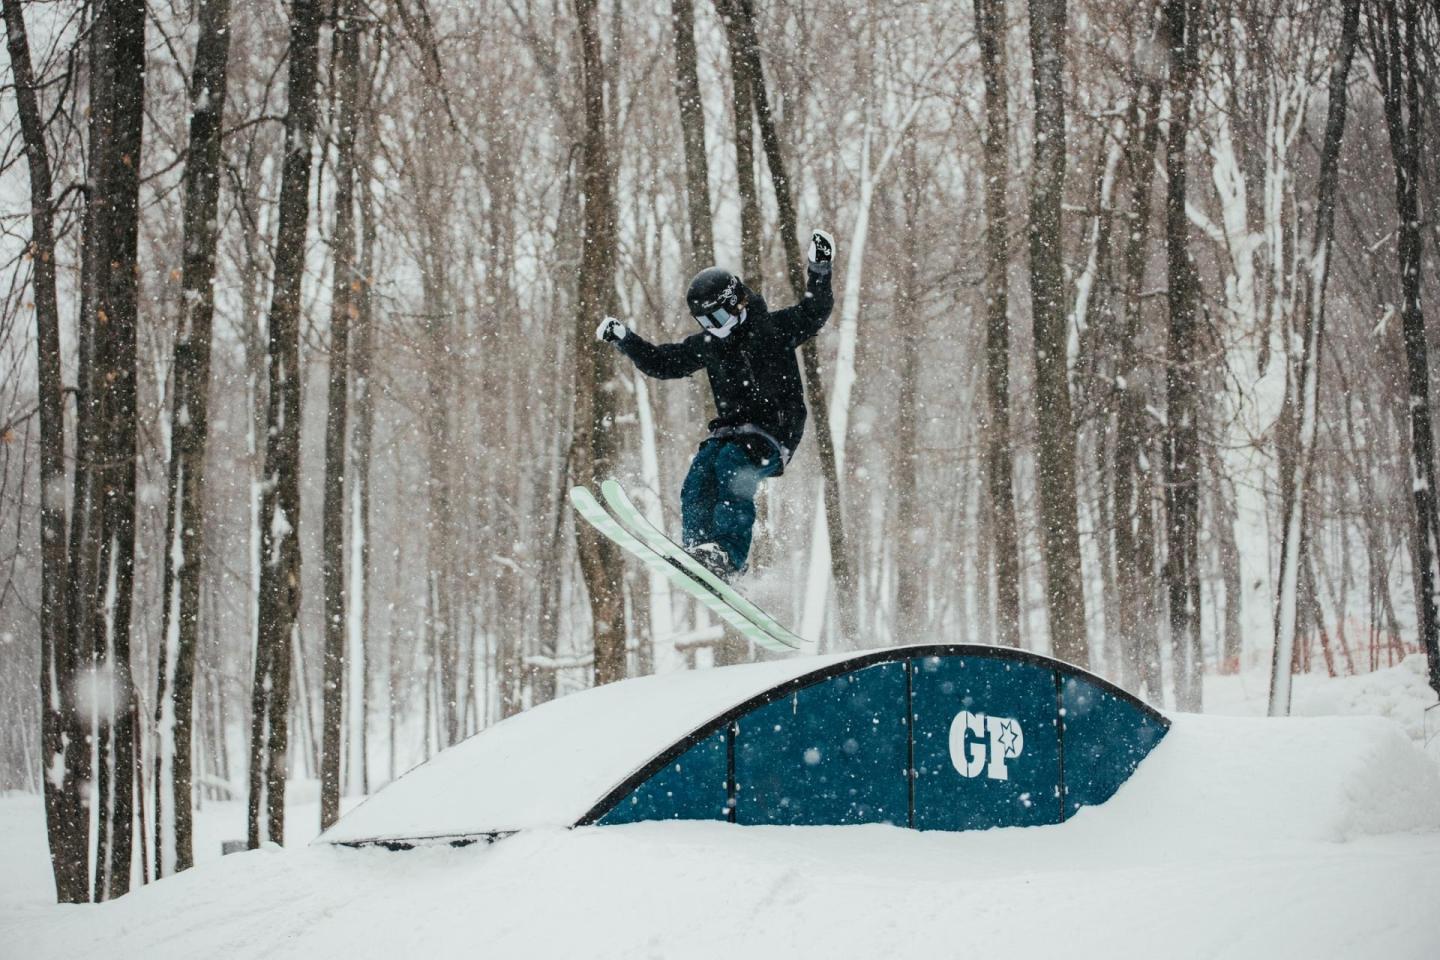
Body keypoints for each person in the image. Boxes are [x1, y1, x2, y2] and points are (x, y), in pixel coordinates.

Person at [596, 229, 836, 582]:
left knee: (731, 467)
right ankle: (700, 550)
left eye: (719, 319)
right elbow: (664, 363)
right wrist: (626, 340)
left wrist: (820, 267)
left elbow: (815, 310)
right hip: (732, 431)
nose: (715, 329)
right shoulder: (710, 345)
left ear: (737, 303)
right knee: (700, 474)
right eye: (706, 323)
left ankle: (729, 554)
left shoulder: (773, 329)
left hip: (775, 431)